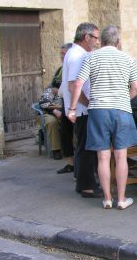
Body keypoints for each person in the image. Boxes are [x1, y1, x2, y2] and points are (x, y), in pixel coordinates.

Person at [68, 25, 137, 210]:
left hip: (98, 109)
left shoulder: (91, 57)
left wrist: (72, 108)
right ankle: (122, 199)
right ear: (118, 41)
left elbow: (78, 84)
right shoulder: (128, 59)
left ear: (102, 40)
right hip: (121, 109)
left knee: (102, 157)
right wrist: (125, 98)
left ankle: (107, 198)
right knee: (121, 156)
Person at [58, 23, 100, 203]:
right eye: (96, 37)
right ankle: (88, 186)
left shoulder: (76, 53)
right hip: (83, 110)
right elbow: (74, 85)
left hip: (81, 109)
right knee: (87, 149)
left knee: (84, 147)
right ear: (87, 37)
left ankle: (82, 183)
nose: (97, 42)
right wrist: (89, 103)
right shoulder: (77, 55)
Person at [42, 43, 72, 160]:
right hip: (52, 111)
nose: (61, 56)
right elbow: (44, 100)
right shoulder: (60, 71)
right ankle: (56, 150)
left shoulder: (73, 68)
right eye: (61, 54)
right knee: (52, 122)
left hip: (67, 108)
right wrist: (54, 110)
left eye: (63, 54)